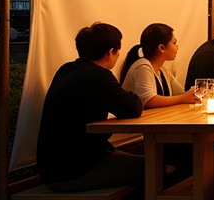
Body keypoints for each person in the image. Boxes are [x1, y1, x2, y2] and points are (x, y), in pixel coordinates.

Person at [35, 22, 145, 191]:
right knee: (158, 167)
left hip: (54, 165)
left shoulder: (67, 69)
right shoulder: (97, 75)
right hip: (75, 169)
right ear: (110, 52)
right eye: (118, 51)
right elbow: (133, 107)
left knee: (148, 161)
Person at [119, 23, 196, 108]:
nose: (177, 47)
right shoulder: (142, 67)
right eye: (174, 43)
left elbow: (181, 93)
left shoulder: (162, 70)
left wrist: (194, 92)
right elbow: (149, 100)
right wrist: (183, 98)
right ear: (161, 48)